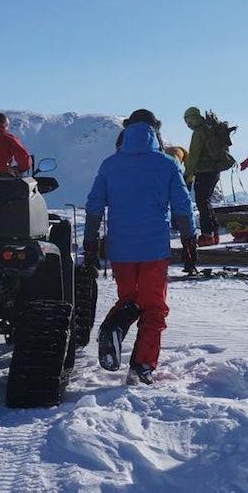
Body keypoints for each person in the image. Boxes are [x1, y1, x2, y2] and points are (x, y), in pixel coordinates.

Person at [83, 110, 197, 386]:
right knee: (154, 308)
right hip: (154, 250)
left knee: (130, 299)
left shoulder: (110, 165)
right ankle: (142, 366)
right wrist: (189, 242)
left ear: (127, 130)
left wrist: (90, 242)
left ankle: (114, 326)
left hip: (121, 249)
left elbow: (95, 205)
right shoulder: (168, 164)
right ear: (155, 130)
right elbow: (182, 207)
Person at [182, 106, 225, 247]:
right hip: (214, 170)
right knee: (205, 200)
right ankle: (214, 232)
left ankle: (207, 235)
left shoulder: (199, 132)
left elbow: (193, 156)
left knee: (201, 201)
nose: (187, 125)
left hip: (204, 171)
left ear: (193, 118)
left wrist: (188, 175)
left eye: (188, 121)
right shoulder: (208, 129)